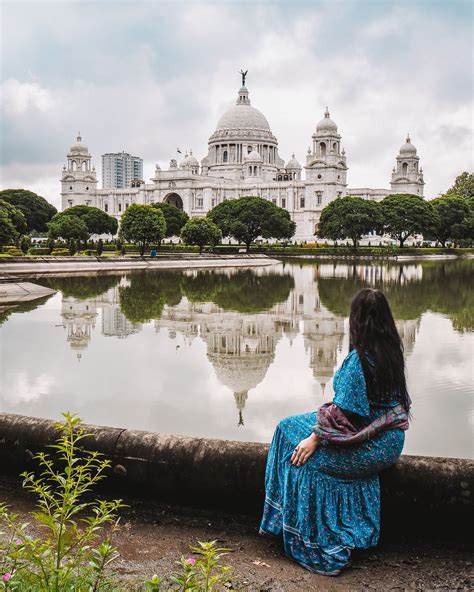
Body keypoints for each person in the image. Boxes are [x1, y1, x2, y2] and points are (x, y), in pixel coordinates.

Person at [259, 288, 411, 576]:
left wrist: (314, 438)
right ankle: (283, 521)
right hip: (387, 437)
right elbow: (354, 409)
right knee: (286, 427)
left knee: (304, 460)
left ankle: (309, 537)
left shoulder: (360, 359)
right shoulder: (392, 351)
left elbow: (345, 414)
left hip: (369, 440)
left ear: (355, 320)